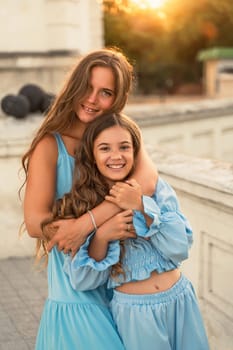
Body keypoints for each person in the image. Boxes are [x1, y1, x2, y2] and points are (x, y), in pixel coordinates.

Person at [21, 48, 157, 349]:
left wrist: (87, 223)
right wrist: (88, 229)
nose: (92, 99)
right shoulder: (50, 145)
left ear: (117, 100)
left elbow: (146, 182)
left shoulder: (118, 138)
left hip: (123, 290)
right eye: (88, 87)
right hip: (76, 295)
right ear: (75, 85)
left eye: (105, 92)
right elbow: (34, 222)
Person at [59, 113, 210, 350]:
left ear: (135, 152)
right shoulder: (84, 205)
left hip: (181, 300)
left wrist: (140, 205)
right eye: (105, 148)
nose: (116, 156)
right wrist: (102, 236)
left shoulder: (155, 189)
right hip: (135, 313)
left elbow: (179, 248)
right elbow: (83, 281)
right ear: (92, 155)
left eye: (124, 147)